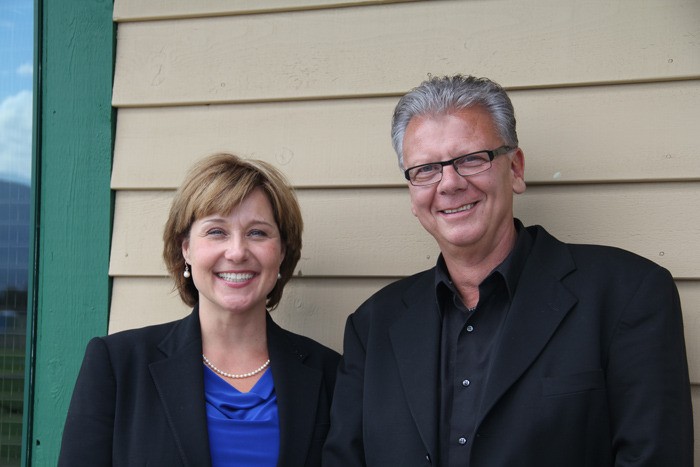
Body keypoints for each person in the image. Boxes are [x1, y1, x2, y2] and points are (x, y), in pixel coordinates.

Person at [323, 75, 694, 466]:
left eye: (470, 159)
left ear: (515, 169)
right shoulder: (372, 325)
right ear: (413, 195)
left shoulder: (626, 294)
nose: (449, 183)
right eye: (426, 169)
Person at [59, 153, 340, 466]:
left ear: (282, 252)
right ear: (186, 248)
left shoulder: (331, 373)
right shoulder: (118, 365)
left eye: (257, 232)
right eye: (217, 231)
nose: (237, 252)